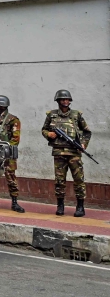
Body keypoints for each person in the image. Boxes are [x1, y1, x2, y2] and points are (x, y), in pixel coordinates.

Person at [41, 89, 92, 217]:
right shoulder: (51, 115)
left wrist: (83, 144)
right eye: (63, 99)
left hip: (74, 153)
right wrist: (49, 134)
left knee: (79, 180)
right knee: (59, 181)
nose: (65, 101)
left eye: (67, 99)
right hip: (59, 152)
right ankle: (60, 205)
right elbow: (44, 129)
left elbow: (87, 132)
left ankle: (80, 206)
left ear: (70, 101)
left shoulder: (76, 115)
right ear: (58, 101)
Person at [0, 95, 24, 213]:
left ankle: (15, 202)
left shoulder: (13, 120)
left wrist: (4, 147)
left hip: (8, 155)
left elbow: (15, 140)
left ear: (1, 106)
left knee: (11, 178)